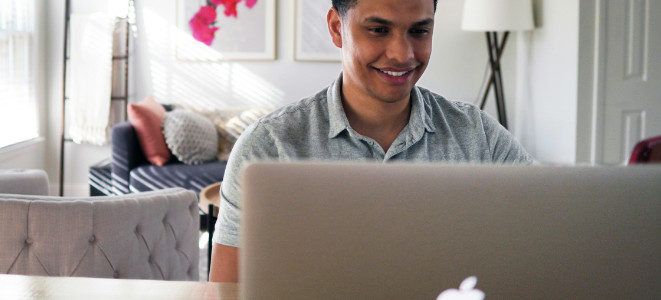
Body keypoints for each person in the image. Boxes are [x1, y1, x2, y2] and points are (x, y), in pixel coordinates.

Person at [209, 0, 533, 282]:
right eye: (378, 30)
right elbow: (225, 291)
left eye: (419, 31)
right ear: (337, 28)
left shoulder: (479, 137)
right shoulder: (267, 147)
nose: (402, 54)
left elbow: (548, 236)